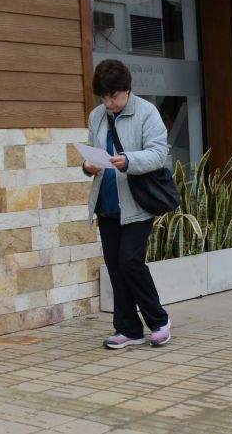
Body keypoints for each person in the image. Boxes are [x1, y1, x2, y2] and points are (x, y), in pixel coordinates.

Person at [82, 59, 171, 349]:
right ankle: (128, 329)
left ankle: (158, 321)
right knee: (115, 267)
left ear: (127, 90)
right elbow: (93, 152)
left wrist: (129, 160)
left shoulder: (146, 112)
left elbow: (159, 154)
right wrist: (88, 165)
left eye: (114, 97)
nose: (108, 103)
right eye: (103, 97)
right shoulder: (97, 115)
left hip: (137, 203)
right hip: (106, 203)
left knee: (130, 262)